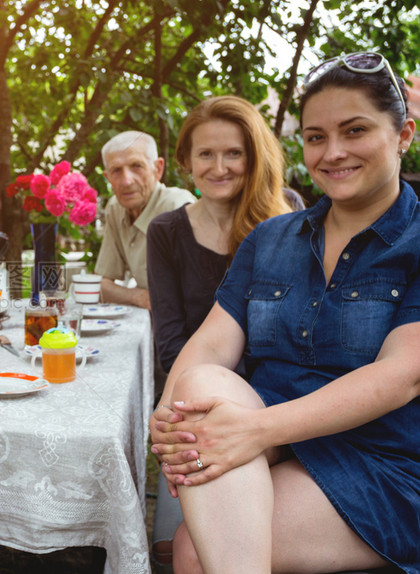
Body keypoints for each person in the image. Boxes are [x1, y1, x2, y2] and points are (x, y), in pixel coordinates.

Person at [150, 52, 419, 573]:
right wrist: (167, 415)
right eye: (316, 136)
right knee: (201, 379)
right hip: (268, 441)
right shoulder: (271, 238)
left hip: (380, 459)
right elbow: (209, 344)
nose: (333, 152)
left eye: (355, 130)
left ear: (404, 134)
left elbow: (400, 378)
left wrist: (256, 430)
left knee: (192, 550)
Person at [145, 95, 295, 571]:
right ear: (187, 162)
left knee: (195, 540)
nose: (219, 166)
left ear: (253, 156)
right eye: (206, 154)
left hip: (284, 400)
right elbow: (171, 341)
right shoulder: (167, 231)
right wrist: (205, 400)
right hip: (200, 393)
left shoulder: (289, 217)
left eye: (233, 153)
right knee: (182, 546)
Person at [95, 131, 196, 310]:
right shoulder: (116, 208)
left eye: (136, 166)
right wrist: (139, 296)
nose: (126, 181)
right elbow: (102, 286)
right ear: (107, 178)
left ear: (158, 169)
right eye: (116, 170)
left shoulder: (177, 207)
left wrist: (140, 297)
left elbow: (193, 293)